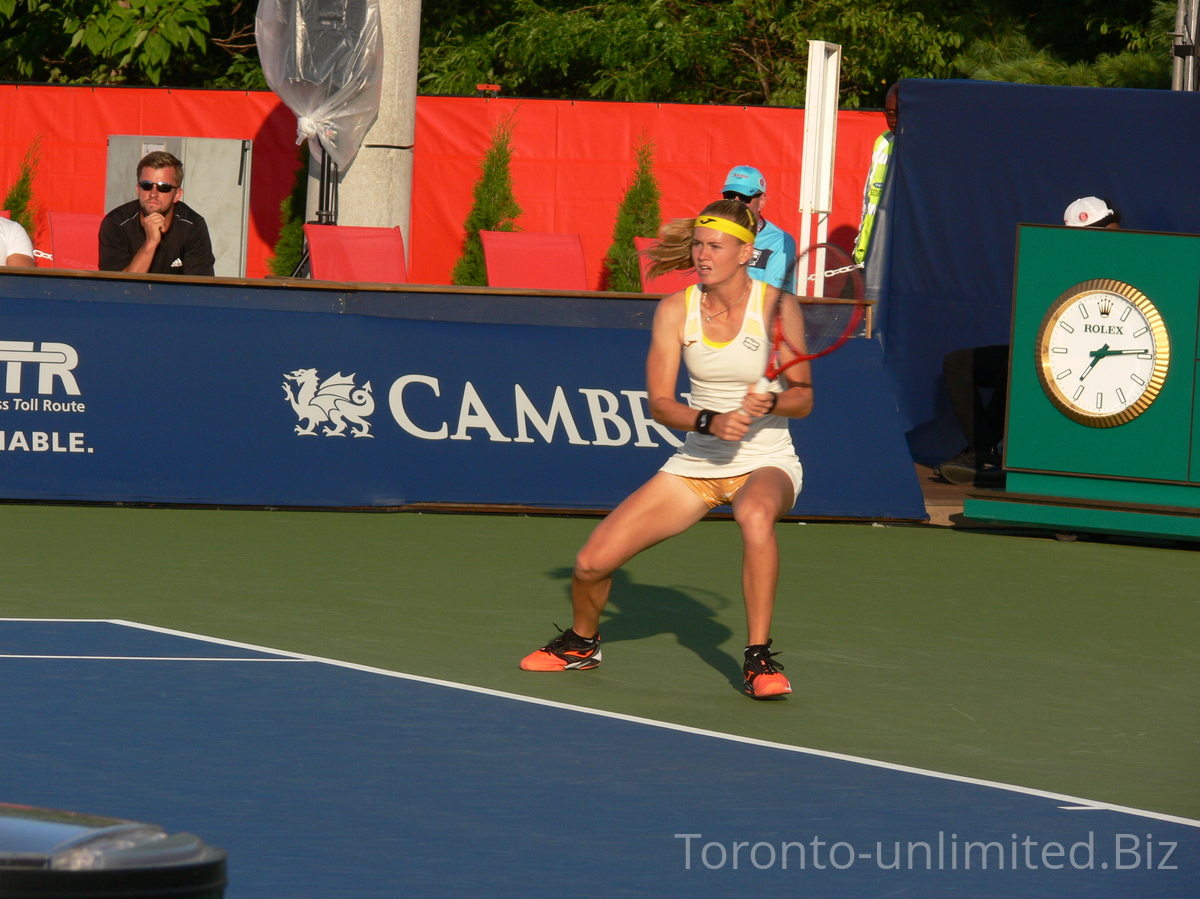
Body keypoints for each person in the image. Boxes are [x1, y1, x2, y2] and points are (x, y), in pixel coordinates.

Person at [520, 199, 812, 699]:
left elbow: (803, 398)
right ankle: (582, 645)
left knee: (755, 516)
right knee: (591, 564)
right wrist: (709, 421)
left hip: (766, 461)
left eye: (715, 246)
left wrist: (772, 401)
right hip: (697, 463)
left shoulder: (778, 308)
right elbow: (660, 403)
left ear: (746, 253)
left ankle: (759, 659)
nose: (702, 254)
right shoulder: (675, 310)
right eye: (698, 244)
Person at [934, 197, 1122, 486]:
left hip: (1095, 363)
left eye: (1101, 230)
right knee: (959, 363)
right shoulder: (1064, 263)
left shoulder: (1131, 263)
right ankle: (984, 453)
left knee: (1011, 369)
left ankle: (986, 457)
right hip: (1049, 351)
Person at [98, 151, 215, 276]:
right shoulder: (115, 224)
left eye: (163, 187)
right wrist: (151, 243)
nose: (153, 194)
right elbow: (118, 287)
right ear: (138, 189)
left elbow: (200, 290)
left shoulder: (193, 226)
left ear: (177, 195)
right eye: (146, 185)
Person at [721, 165, 798, 292]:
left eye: (744, 197)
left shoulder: (780, 242)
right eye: (729, 195)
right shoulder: (715, 234)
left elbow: (770, 297)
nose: (735, 202)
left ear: (761, 201)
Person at [852, 83, 898, 266]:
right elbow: (869, 201)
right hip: (870, 255)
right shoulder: (883, 142)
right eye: (889, 112)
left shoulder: (927, 148)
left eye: (897, 112)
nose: (892, 118)